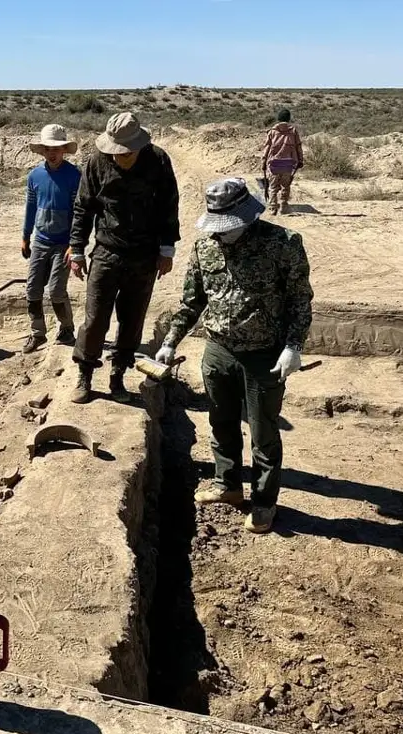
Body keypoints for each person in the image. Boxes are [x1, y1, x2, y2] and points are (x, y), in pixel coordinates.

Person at [157, 177, 314, 534]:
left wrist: (294, 347)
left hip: (264, 355)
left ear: (248, 216)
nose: (221, 234)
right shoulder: (204, 247)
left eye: (228, 227)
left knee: (263, 433)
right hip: (218, 351)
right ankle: (227, 485)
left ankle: (263, 503)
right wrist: (170, 341)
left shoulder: (283, 244)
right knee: (221, 422)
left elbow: (299, 300)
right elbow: (192, 302)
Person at [67, 112, 180, 403]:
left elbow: (169, 205)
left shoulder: (158, 161)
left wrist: (167, 249)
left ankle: (118, 375)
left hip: (144, 255)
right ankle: (85, 374)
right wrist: (77, 250)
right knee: (94, 320)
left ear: (139, 146)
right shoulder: (96, 161)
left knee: (132, 320)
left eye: (127, 153)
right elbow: (84, 207)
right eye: (116, 152)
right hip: (106, 252)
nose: (121, 157)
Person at [21, 124, 82, 353]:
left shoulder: (74, 176)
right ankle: (37, 333)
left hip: (64, 243)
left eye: (56, 148)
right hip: (40, 240)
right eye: (47, 148)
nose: (52, 152)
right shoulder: (35, 175)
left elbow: (80, 213)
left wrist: (74, 244)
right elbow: (30, 206)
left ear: (64, 149)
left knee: (56, 290)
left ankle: (66, 329)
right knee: (32, 289)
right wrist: (25, 236)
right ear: (42, 150)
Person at [261, 109, 304, 216]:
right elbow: (298, 147)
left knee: (273, 187)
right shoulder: (293, 131)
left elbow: (267, 148)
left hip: (274, 164)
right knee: (286, 186)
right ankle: (283, 206)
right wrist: (300, 160)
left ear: (278, 118)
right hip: (288, 164)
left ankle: (273, 208)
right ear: (288, 118)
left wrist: (263, 160)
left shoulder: (272, 132)